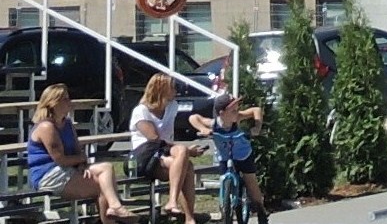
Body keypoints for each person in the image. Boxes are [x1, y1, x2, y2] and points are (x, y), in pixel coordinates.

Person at [26, 84, 136, 223]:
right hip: (48, 175)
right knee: (102, 186)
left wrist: (82, 164)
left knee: (107, 168)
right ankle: (113, 211)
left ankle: (114, 207)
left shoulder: (67, 124)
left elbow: (78, 151)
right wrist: (81, 159)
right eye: (65, 99)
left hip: (68, 169)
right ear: (53, 103)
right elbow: (60, 159)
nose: (69, 102)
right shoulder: (46, 127)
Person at [130, 73, 204, 224]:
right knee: (186, 164)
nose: (175, 90)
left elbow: (167, 141)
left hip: (164, 152)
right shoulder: (141, 111)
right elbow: (154, 139)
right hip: (146, 156)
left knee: (184, 159)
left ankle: (186, 215)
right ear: (161, 89)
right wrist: (188, 151)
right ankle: (179, 209)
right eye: (172, 87)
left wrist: (183, 150)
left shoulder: (172, 107)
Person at [189, 94, 267, 224]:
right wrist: (202, 128)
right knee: (223, 178)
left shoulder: (237, 118)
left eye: (237, 109)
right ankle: (225, 205)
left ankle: (261, 211)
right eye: (233, 110)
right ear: (222, 113)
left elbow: (256, 110)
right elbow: (193, 117)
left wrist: (256, 127)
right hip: (225, 157)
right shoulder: (214, 124)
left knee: (251, 182)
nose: (237, 112)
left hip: (243, 155)